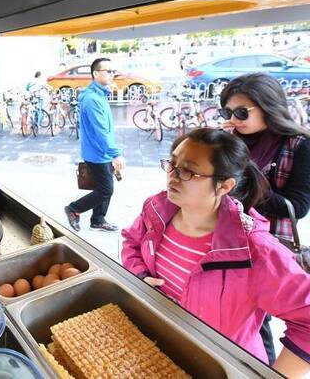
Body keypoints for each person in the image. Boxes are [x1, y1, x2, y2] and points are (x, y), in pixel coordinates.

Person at [121, 128, 310, 377]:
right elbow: (131, 242)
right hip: (162, 352)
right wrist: (141, 275)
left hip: (220, 367)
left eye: (188, 171)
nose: (173, 177)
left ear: (224, 186)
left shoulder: (255, 252)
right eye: (172, 163)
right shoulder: (157, 210)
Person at [219, 72, 310, 364]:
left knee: (261, 320)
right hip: (226, 239)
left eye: (242, 112)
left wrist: (245, 181)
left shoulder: (298, 145)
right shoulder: (231, 140)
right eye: (228, 111)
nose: (234, 118)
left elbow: (298, 205)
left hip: (267, 246)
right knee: (235, 314)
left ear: (268, 106)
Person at [65, 58, 125, 232]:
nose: (112, 74)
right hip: (97, 153)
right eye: (108, 71)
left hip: (101, 152)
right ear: (96, 74)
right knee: (106, 190)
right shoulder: (92, 99)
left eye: (113, 70)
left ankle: (98, 220)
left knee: (104, 187)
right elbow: (100, 131)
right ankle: (74, 209)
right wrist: (115, 153)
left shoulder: (99, 94)